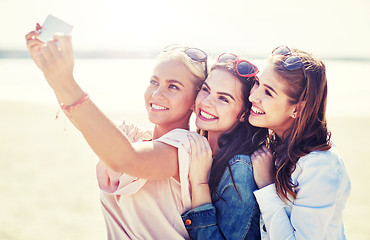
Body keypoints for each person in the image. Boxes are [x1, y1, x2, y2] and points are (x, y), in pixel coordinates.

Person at [25, 24, 208, 239]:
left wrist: (66, 80)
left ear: (194, 102)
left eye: (173, 86)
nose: (157, 93)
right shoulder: (136, 137)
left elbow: (125, 159)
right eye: (154, 82)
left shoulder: (186, 148)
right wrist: (52, 73)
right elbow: (84, 120)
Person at [249, 46, 351, 239]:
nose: (253, 96)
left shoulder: (319, 166)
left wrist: (266, 186)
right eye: (257, 83)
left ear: (299, 108)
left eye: (268, 93)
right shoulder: (275, 149)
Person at [181, 53, 268, 239]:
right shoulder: (198, 149)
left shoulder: (239, 169)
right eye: (206, 90)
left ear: (244, 114)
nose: (206, 102)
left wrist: (199, 184)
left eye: (223, 99)